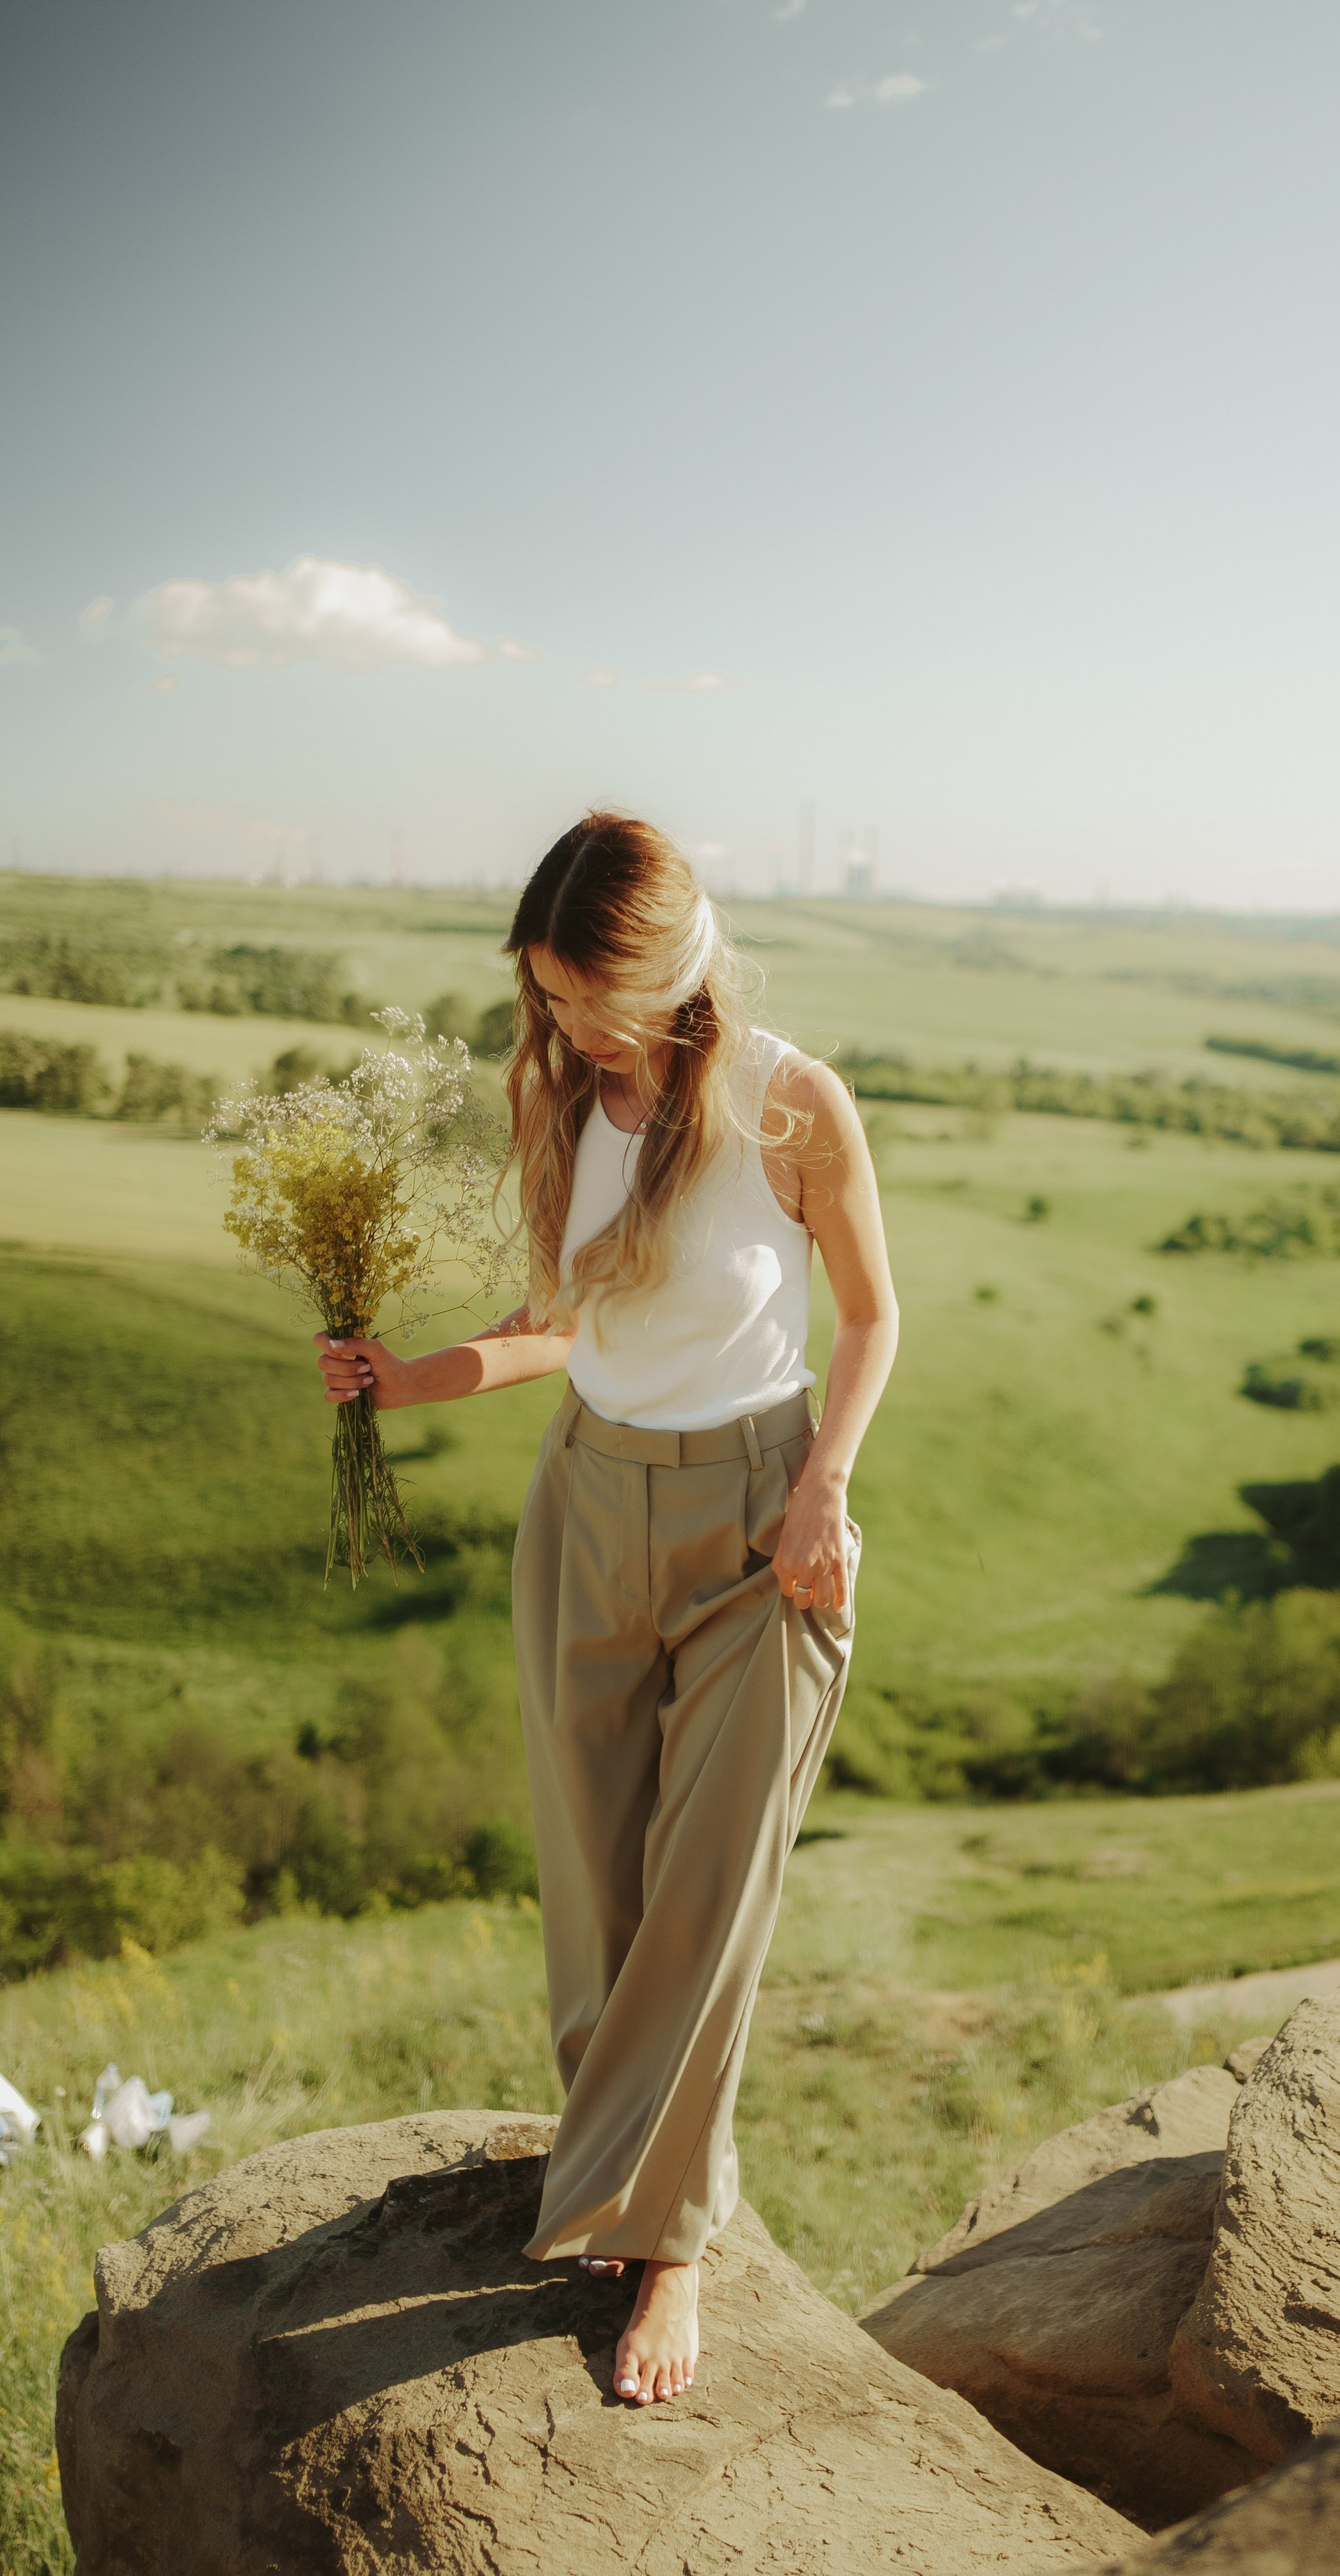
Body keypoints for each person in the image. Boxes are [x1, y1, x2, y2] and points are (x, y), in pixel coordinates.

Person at [315, 812, 898, 2406]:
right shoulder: (561, 1096)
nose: (565, 1029)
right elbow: (560, 1320)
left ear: (671, 965)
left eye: (589, 998)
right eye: (549, 998)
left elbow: (867, 1316)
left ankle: (670, 2246)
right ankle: (622, 2181)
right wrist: (413, 1378)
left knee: (708, 1896)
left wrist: (823, 1490)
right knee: (596, 1887)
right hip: (588, 1505)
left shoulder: (788, 1104)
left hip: (757, 1524)